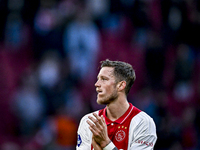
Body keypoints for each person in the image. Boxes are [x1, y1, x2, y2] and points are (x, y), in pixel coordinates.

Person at [76, 59, 157, 150]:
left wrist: (105, 143)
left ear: (121, 85)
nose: (97, 84)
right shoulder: (88, 121)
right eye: (98, 79)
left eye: (104, 79)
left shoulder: (143, 123)